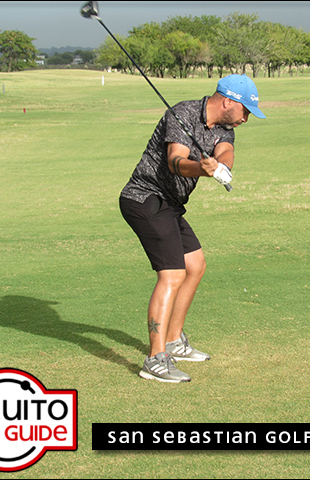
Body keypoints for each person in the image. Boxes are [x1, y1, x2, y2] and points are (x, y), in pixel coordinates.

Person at [119, 74, 266, 383]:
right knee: (173, 274)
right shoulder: (182, 114)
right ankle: (155, 359)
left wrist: (221, 167)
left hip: (170, 204)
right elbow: (175, 161)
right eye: (245, 111)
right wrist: (201, 168)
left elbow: (226, 151)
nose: (246, 119)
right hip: (145, 198)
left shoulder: (225, 128)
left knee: (195, 264)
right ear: (228, 102)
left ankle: (173, 340)